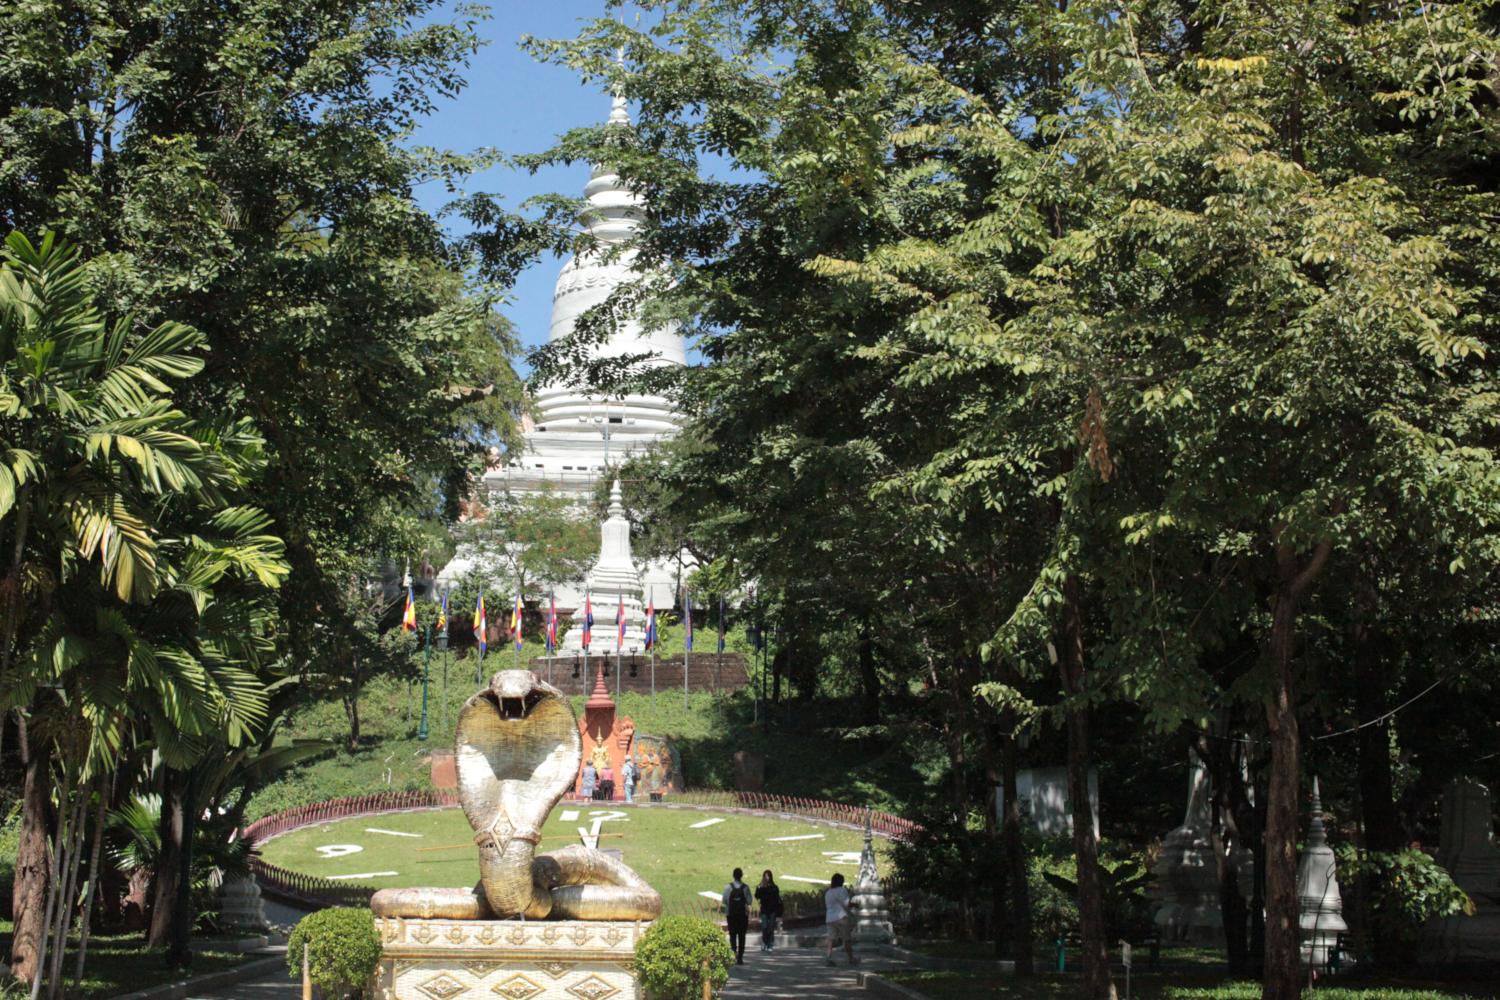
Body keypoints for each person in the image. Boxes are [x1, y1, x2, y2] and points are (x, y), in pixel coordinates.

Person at [824, 872, 858, 967]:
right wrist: (856, 904)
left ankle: (829, 958)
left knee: (830, 939)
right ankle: (851, 958)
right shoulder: (842, 891)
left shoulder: (828, 893)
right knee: (846, 939)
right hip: (841, 917)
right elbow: (847, 904)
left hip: (830, 918)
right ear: (841, 882)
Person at [722, 867, 751, 964]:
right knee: (742, 936)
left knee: (733, 935)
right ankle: (741, 957)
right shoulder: (745, 888)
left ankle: (734, 954)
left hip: (731, 915)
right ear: (742, 875)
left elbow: (724, 901)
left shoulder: (728, 887)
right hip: (743, 916)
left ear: (733, 875)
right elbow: (749, 901)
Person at [755, 870, 783, 952]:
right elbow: (757, 895)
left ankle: (770, 944)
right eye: (765, 876)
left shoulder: (774, 887)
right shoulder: (761, 887)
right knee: (764, 926)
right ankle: (764, 941)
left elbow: (777, 898)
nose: (766, 877)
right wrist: (760, 887)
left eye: (768, 876)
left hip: (772, 910)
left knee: (771, 927)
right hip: (764, 910)